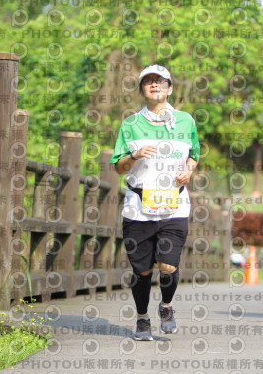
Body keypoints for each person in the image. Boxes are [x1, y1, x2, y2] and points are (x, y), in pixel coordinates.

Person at [111, 64, 200, 340]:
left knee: (169, 265)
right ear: (142, 90)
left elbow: (194, 155)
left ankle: (166, 306)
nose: (154, 85)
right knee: (142, 270)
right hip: (138, 208)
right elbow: (118, 167)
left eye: (160, 81)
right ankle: (141, 318)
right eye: (148, 81)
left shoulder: (186, 121)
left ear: (170, 88)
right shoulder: (130, 124)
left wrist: (189, 171)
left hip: (174, 205)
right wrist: (134, 155)